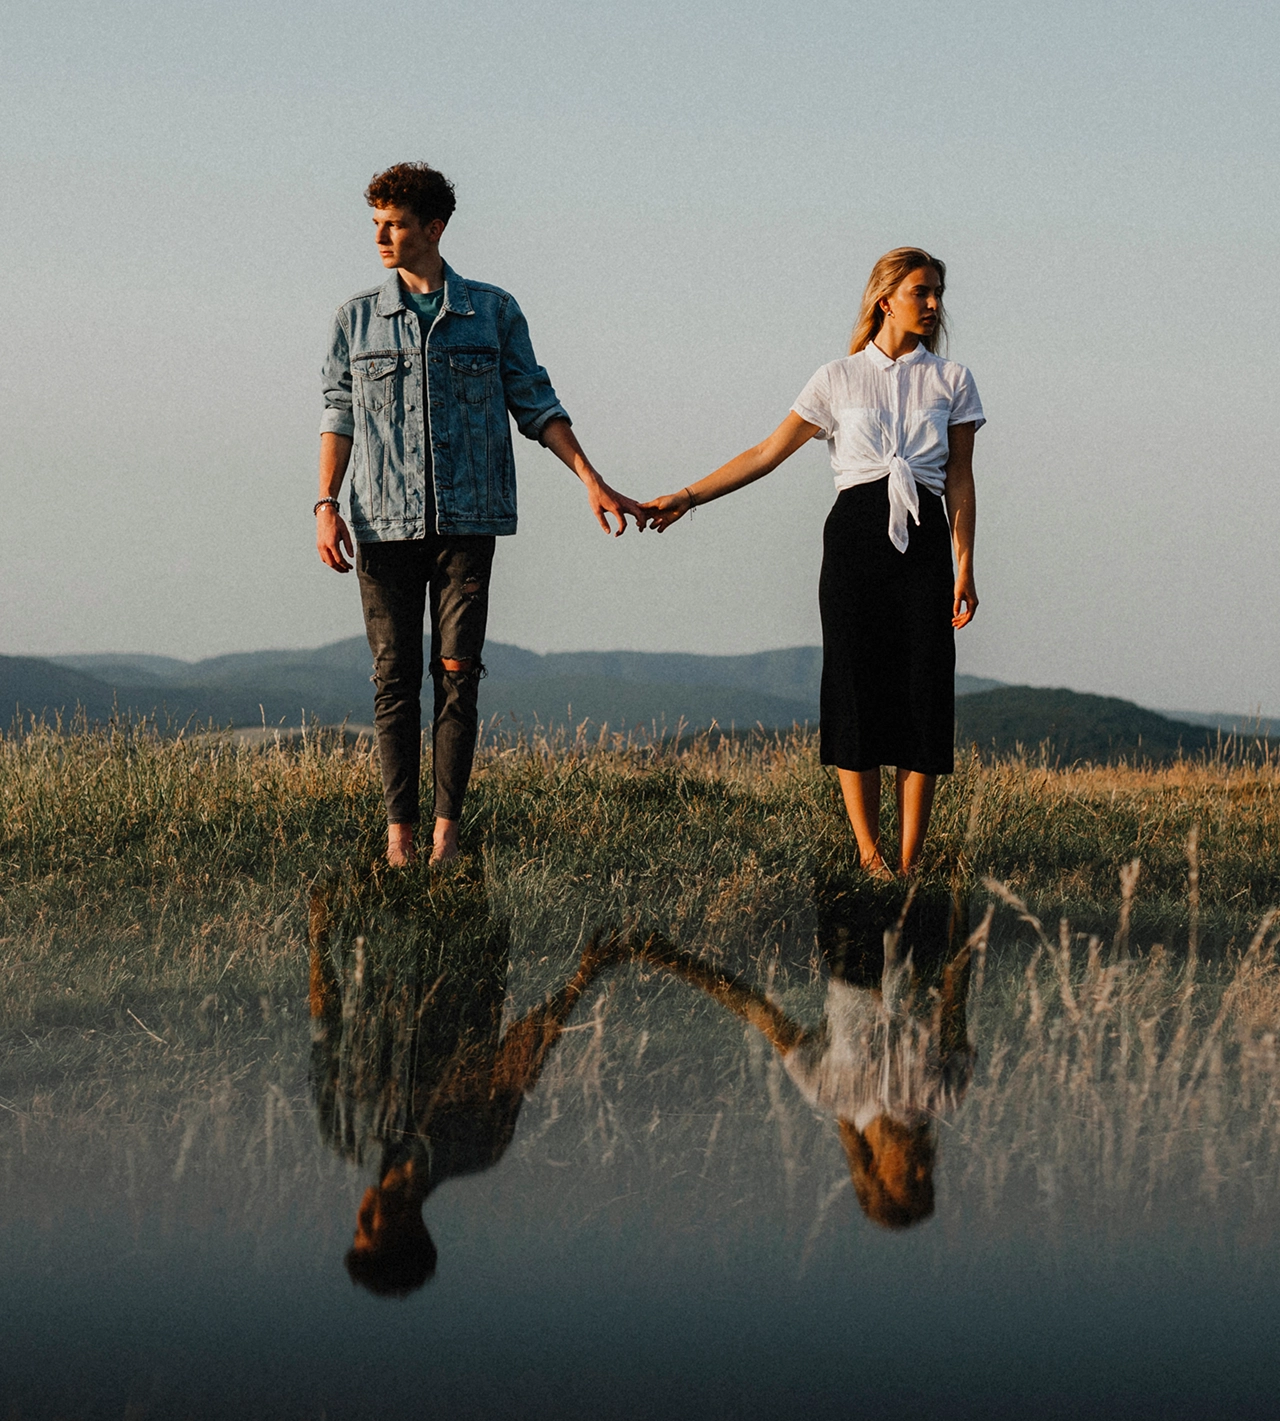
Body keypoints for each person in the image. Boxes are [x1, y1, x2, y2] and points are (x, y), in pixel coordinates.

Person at [317, 162, 646, 867]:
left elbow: (537, 404)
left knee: (458, 671)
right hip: (380, 523)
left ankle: (446, 834)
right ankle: (398, 835)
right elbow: (338, 415)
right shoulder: (355, 319)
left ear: (432, 228)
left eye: (396, 222)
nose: (381, 234)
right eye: (375, 221)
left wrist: (591, 479)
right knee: (394, 677)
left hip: (469, 523)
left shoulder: (493, 312)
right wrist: (324, 503)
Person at [642, 247, 984, 876]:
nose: (935, 304)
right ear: (885, 298)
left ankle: (911, 864)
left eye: (938, 293)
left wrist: (965, 565)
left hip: (925, 538)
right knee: (855, 688)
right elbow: (766, 453)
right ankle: (871, 856)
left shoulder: (953, 380)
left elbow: (959, 479)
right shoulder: (836, 378)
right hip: (855, 541)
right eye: (921, 292)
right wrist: (688, 496)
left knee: (922, 693)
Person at [308, 876, 623, 1295]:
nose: (360, 1218)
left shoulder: (340, 1133)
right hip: (462, 939)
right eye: (372, 1230)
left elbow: (324, 1026)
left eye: (355, 1230)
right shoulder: (479, 1148)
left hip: (377, 924)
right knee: (459, 831)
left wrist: (319, 936)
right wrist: (582, 978)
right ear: (416, 1231)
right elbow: (523, 1054)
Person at [627, 883, 983, 1230]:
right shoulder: (945, 1095)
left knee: (859, 867)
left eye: (913, 1182)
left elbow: (759, 1012)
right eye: (929, 1181)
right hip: (922, 945)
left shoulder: (828, 1092)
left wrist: (667, 957)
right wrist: (961, 896)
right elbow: (957, 991)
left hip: (853, 950)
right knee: (913, 860)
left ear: (873, 1171)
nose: (925, 1170)